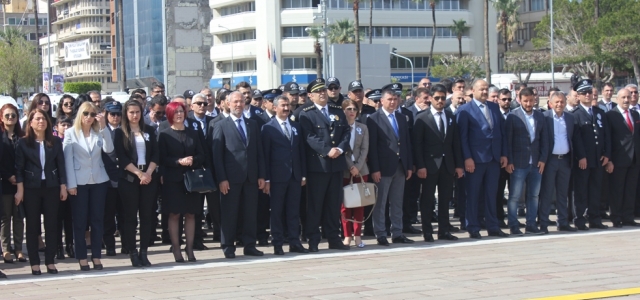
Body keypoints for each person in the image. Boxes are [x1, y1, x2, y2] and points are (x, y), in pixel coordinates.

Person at [299, 78, 350, 252]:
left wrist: (340, 150)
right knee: (315, 205)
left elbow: (346, 132)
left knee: (333, 204)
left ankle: (334, 238)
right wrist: (327, 150)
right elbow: (309, 137)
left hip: (336, 165)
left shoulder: (337, 110)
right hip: (318, 166)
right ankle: (313, 239)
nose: (322, 93)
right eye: (318, 91)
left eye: (324, 90)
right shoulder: (306, 113)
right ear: (310, 95)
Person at [212, 91, 266, 258]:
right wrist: (222, 178)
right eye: (235, 102)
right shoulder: (221, 125)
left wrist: (261, 175)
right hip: (230, 178)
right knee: (230, 213)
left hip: (251, 177)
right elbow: (217, 155)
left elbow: (259, 152)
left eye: (241, 102)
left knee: (250, 213)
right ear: (228, 104)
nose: (238, 105)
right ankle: (228, 245)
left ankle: (250, 244)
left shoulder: (252, 124)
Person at [15, 109, 67, 276]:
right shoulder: (23, 143)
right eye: (37, 119)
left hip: (51, 186)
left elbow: (61, 165)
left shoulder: (55, 142)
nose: (41, 122)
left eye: (43, 119)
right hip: (31, 188)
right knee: (32, 226)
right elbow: (19, 169)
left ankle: (50, 261)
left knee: (51, 225)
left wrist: (63, 186)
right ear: (30, 122)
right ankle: (35, 263)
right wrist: (20, 190)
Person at [63, 102, 114, 271]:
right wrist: (71, 184)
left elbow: (109, 149)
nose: (89, 118)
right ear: (79, 114)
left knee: (97, 220)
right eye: (86, 114)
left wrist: (104, 127)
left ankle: (97, 256)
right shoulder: (71, 133)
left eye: (93, 114)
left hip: (99, 180)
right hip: (79, 181)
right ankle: (82, 257)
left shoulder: (98, 131)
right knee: (79, 221)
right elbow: (67, 160)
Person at [456, 79, 509, 239]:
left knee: (491, 194)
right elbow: (462, 138)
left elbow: (501, 132)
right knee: (473, 195)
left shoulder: (493, 107)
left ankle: (493, 226)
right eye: (481, 89)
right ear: (473, 90)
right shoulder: (465, 110)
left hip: (493, 159)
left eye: (486, 89)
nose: (485, 92)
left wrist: (504, 154)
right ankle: (473, 226)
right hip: (475, 160)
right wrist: (467, 158)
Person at [413, 84, 463, 242]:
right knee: (427, 200)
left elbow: (455, 143)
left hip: (447, 165)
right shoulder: (421, 118)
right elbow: (417, 145)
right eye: (437, 98)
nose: (440, 101)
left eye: (442, 98)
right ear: (430, 98)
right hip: (429, 166)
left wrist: (459, 165)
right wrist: (420, 165)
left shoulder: (450, 117)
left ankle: (444, 231)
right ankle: (427, 232)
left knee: (445, 199)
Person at [114, 100, 160, 267]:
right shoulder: (120, 133)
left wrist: (148, 173)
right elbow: (122, 158)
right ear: (126, 113)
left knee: (147, 216)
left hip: (148, 177)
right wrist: (139, 173)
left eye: (137, 112)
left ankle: (144, 252)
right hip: (130, 178)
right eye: (131, 112)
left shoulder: (149, 130)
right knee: (130, 217)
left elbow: (156, 154)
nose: (135, 115)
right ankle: (132, 251)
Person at [158, 101, 205, 262]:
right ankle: (176, 248)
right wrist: (178, 161)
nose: (179, 114)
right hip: (173, 179)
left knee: (191, 214)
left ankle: (190, 248)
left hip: (191, 179)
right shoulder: (164, 134)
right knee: (174, 214)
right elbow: (162, 158)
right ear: (170, 114)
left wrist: (193, 159)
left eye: (181, 111)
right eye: (176, 112)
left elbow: (202, 154)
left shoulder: (194, 133)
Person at [261, 95, 308, 255]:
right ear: (275, 108)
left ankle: (295, 242)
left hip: (295, 176)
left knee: (293, 211)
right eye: (283, 105)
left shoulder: (296, 126)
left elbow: (300, 151)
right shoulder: (268, 128)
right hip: (277, 177)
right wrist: (266, 178)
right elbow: (265, 155)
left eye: (288, 105)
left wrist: (302, 174)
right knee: (277, 212)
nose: (286, 108)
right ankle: (278, 243)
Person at [366, 89, 414, 246]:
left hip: (400, 166)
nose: (393, 102)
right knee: (380, 202)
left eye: (395, 99)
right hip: (383, 167)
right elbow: (372, 147)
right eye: (389, 99)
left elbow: (406, 143)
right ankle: (380, 233)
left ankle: (397, 232)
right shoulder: (373, 119)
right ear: (382, 100)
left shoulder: (401, 117)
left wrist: (408, 165)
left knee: (397, 201)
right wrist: (375, 169)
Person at [504, 88, 548, 235]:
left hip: (535, 163)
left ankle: (531, 224)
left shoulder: (540, 116)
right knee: (515, 196)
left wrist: (542, 159)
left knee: (534, 195)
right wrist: (509, 160)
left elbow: (544, 140)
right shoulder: (512, 116)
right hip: (518, 162)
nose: (529, 103)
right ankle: (513, 225)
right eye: (526, 101)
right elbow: (507, 141)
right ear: (520, 100)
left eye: (531, 100)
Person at [571, 79, 610, 230]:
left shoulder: (600, 113)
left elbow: (606, 135)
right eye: (584, 93)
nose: (588, 95)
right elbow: (576, 138)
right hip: (583, 160)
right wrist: (581, 156)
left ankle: (595, 219)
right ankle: (579, 219)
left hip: (598, 159)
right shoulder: (575, 114)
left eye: (589, 92)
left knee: (596, 190)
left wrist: (607, 153)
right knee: (581, 190)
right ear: (578, 96)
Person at [539, 92, 576, 233]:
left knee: (562, 193)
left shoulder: (570, 118)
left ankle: (563, 222)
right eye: (557, 102)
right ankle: (543, 223)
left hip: (565, 160)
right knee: (547, 193)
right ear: (551, 103)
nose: (559, 104)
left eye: (562, 102)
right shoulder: (545, 117)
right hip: (550, 161)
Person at [606, 88, 640, 227]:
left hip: (635, 159)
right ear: (617, 98)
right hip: (618, 159)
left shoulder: (635, 114)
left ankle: (628, 217)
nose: (627, 100)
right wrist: (609, 159)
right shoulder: (610, 115)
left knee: (630, 190)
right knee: (617, 190)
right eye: (624, 97)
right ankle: (616, 217)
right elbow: (608, 139)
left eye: (629, 97)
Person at [337, 99, 369, 248]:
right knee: (345, 206)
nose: (351, 111)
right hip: (345, 170)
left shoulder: (362, 128)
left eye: (354, 109)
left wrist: (358, 166)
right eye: (348, 109)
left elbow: (364, 149)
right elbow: (341, 150)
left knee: (359, 205)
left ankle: (357, 235)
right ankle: (347, 235)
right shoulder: (339, 127)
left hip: (361, 171)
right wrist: (351, 166)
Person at [0, 104, 25, 265]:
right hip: (5, 182)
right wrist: (8, 176)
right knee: (4, 217)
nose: (11, 118)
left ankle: (18, 249)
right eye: (7, 115)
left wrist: (19, 178)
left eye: (13, 115)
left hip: (21, 183)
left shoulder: (22, 138)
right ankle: (5, 248)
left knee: (19, 217)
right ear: (1, 117)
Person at [53, 117, 74, 259]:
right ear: (56, 126)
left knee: (69, 218)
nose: (65, 127)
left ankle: (70, 245)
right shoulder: (54, 142)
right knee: (57, 218)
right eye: (63, 125)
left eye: (68, 125)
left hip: (72, 183)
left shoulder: (73, 140)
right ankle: (58, 246)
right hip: (57, 183)